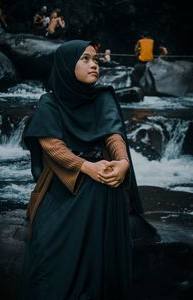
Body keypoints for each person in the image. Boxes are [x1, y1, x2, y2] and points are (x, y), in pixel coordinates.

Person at [20, 40, 159, 300]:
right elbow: (53, 147)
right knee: (96, 187)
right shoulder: (49, 102)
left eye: (95, 60)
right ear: (65, 65)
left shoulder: (102, 96)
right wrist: (86, 167)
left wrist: (123, 164)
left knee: (110, 185)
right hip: (61, 181)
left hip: (100, 170)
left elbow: (113, 137)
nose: (93, 64)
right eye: (85, 59)